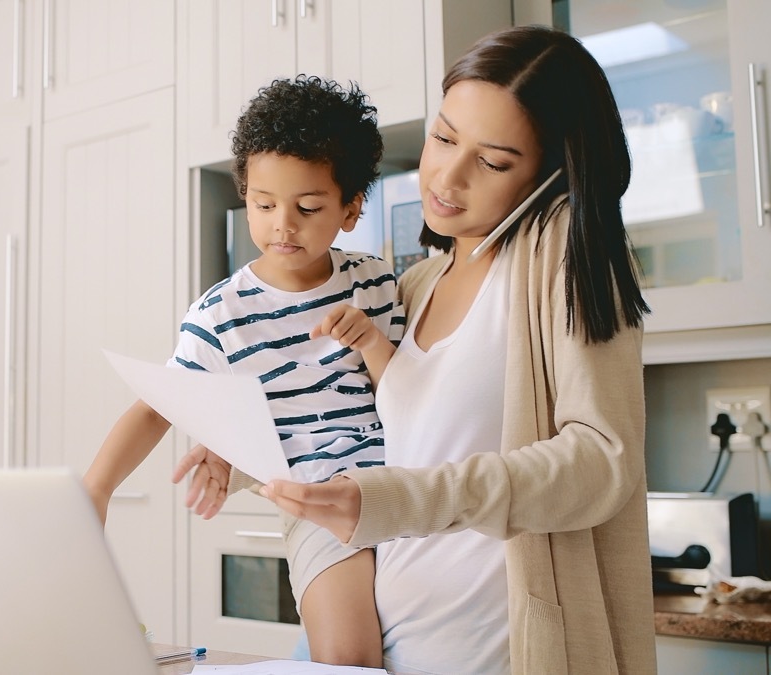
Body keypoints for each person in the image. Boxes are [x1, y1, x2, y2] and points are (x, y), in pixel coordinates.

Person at [174, 25, 657, 674]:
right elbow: (350, 427)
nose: (447, 177)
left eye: (492, 161)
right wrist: (235, 456)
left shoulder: (561, 251)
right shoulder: (413, 285)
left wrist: (395, 500)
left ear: (548, 173)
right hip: (387, 641)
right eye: (444, 137)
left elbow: (600, 460)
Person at [83, 75, 403, 668]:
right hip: (317, 501)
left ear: (352, 207)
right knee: (350, 657)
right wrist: (97, 488)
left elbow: (410, 399)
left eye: (308, 208)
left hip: (404, 488)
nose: (283, 224)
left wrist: (376, 346)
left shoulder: (375, 281)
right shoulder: (220, 313)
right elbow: (159, 403)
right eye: (263, 204)